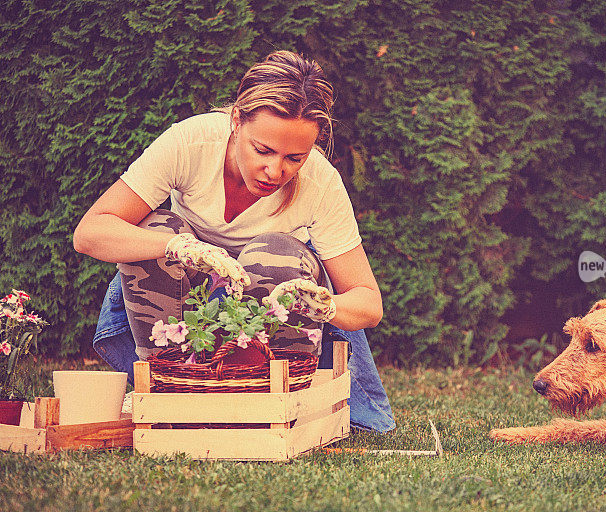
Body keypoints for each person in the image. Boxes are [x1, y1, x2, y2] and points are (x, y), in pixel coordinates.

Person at [73, 50, 395, 433]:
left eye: (295, 157)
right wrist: (178, 246)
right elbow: (90, 232)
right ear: (237, 120)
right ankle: (174, 395)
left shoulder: (320, 182)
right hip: (182, 303)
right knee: (158, 229)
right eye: (263, 150)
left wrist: (323, 305)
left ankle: (272, 407)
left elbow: (368, 302)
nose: (275, 171)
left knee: (275, 252)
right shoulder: (191, 143)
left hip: (273, 313)